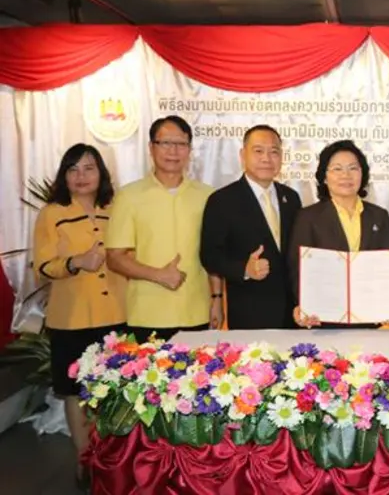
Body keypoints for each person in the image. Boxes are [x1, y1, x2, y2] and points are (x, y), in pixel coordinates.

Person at [32, 143, 126, 488]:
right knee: (75, 391)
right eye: (73, 169)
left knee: (113, 390)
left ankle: (111, 457)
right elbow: (41, 267)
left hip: (117, 313)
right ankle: (84, 460)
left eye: (89, 168)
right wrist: (75, 262)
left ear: (101, 173)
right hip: (71, 317)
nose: (81, 176)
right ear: (64, 176)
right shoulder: (52, 213)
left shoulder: (114, 209)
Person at [106, 115, 221, 342]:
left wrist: (216, 298)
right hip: (148, 314)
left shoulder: (208, 196)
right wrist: (158, 275)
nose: (173, 151)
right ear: (151, 147)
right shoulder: (129, 196)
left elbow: (213, 255)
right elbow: (114, 257)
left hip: (197, 311)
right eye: (165, 143)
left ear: (189, 150)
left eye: (181, 144)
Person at [200, 125, 302, 329]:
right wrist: (244, 269)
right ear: (242, 155)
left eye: (274, 152)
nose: (267, 158)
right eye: (258, 151)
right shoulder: (222, 200)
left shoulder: (291, 198)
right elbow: (210, 255)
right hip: (250, 313)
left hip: (293, 314)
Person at [288, 140, 389, 328]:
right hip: (324, 319)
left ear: (363, 174)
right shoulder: (308, 217)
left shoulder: (379, 216)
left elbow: (386, 265)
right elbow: (298, 268)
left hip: (369, 319)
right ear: (325, 177)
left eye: (353, 168)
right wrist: (304, 305)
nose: (346, 175)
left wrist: (388, 303)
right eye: (337, 169)